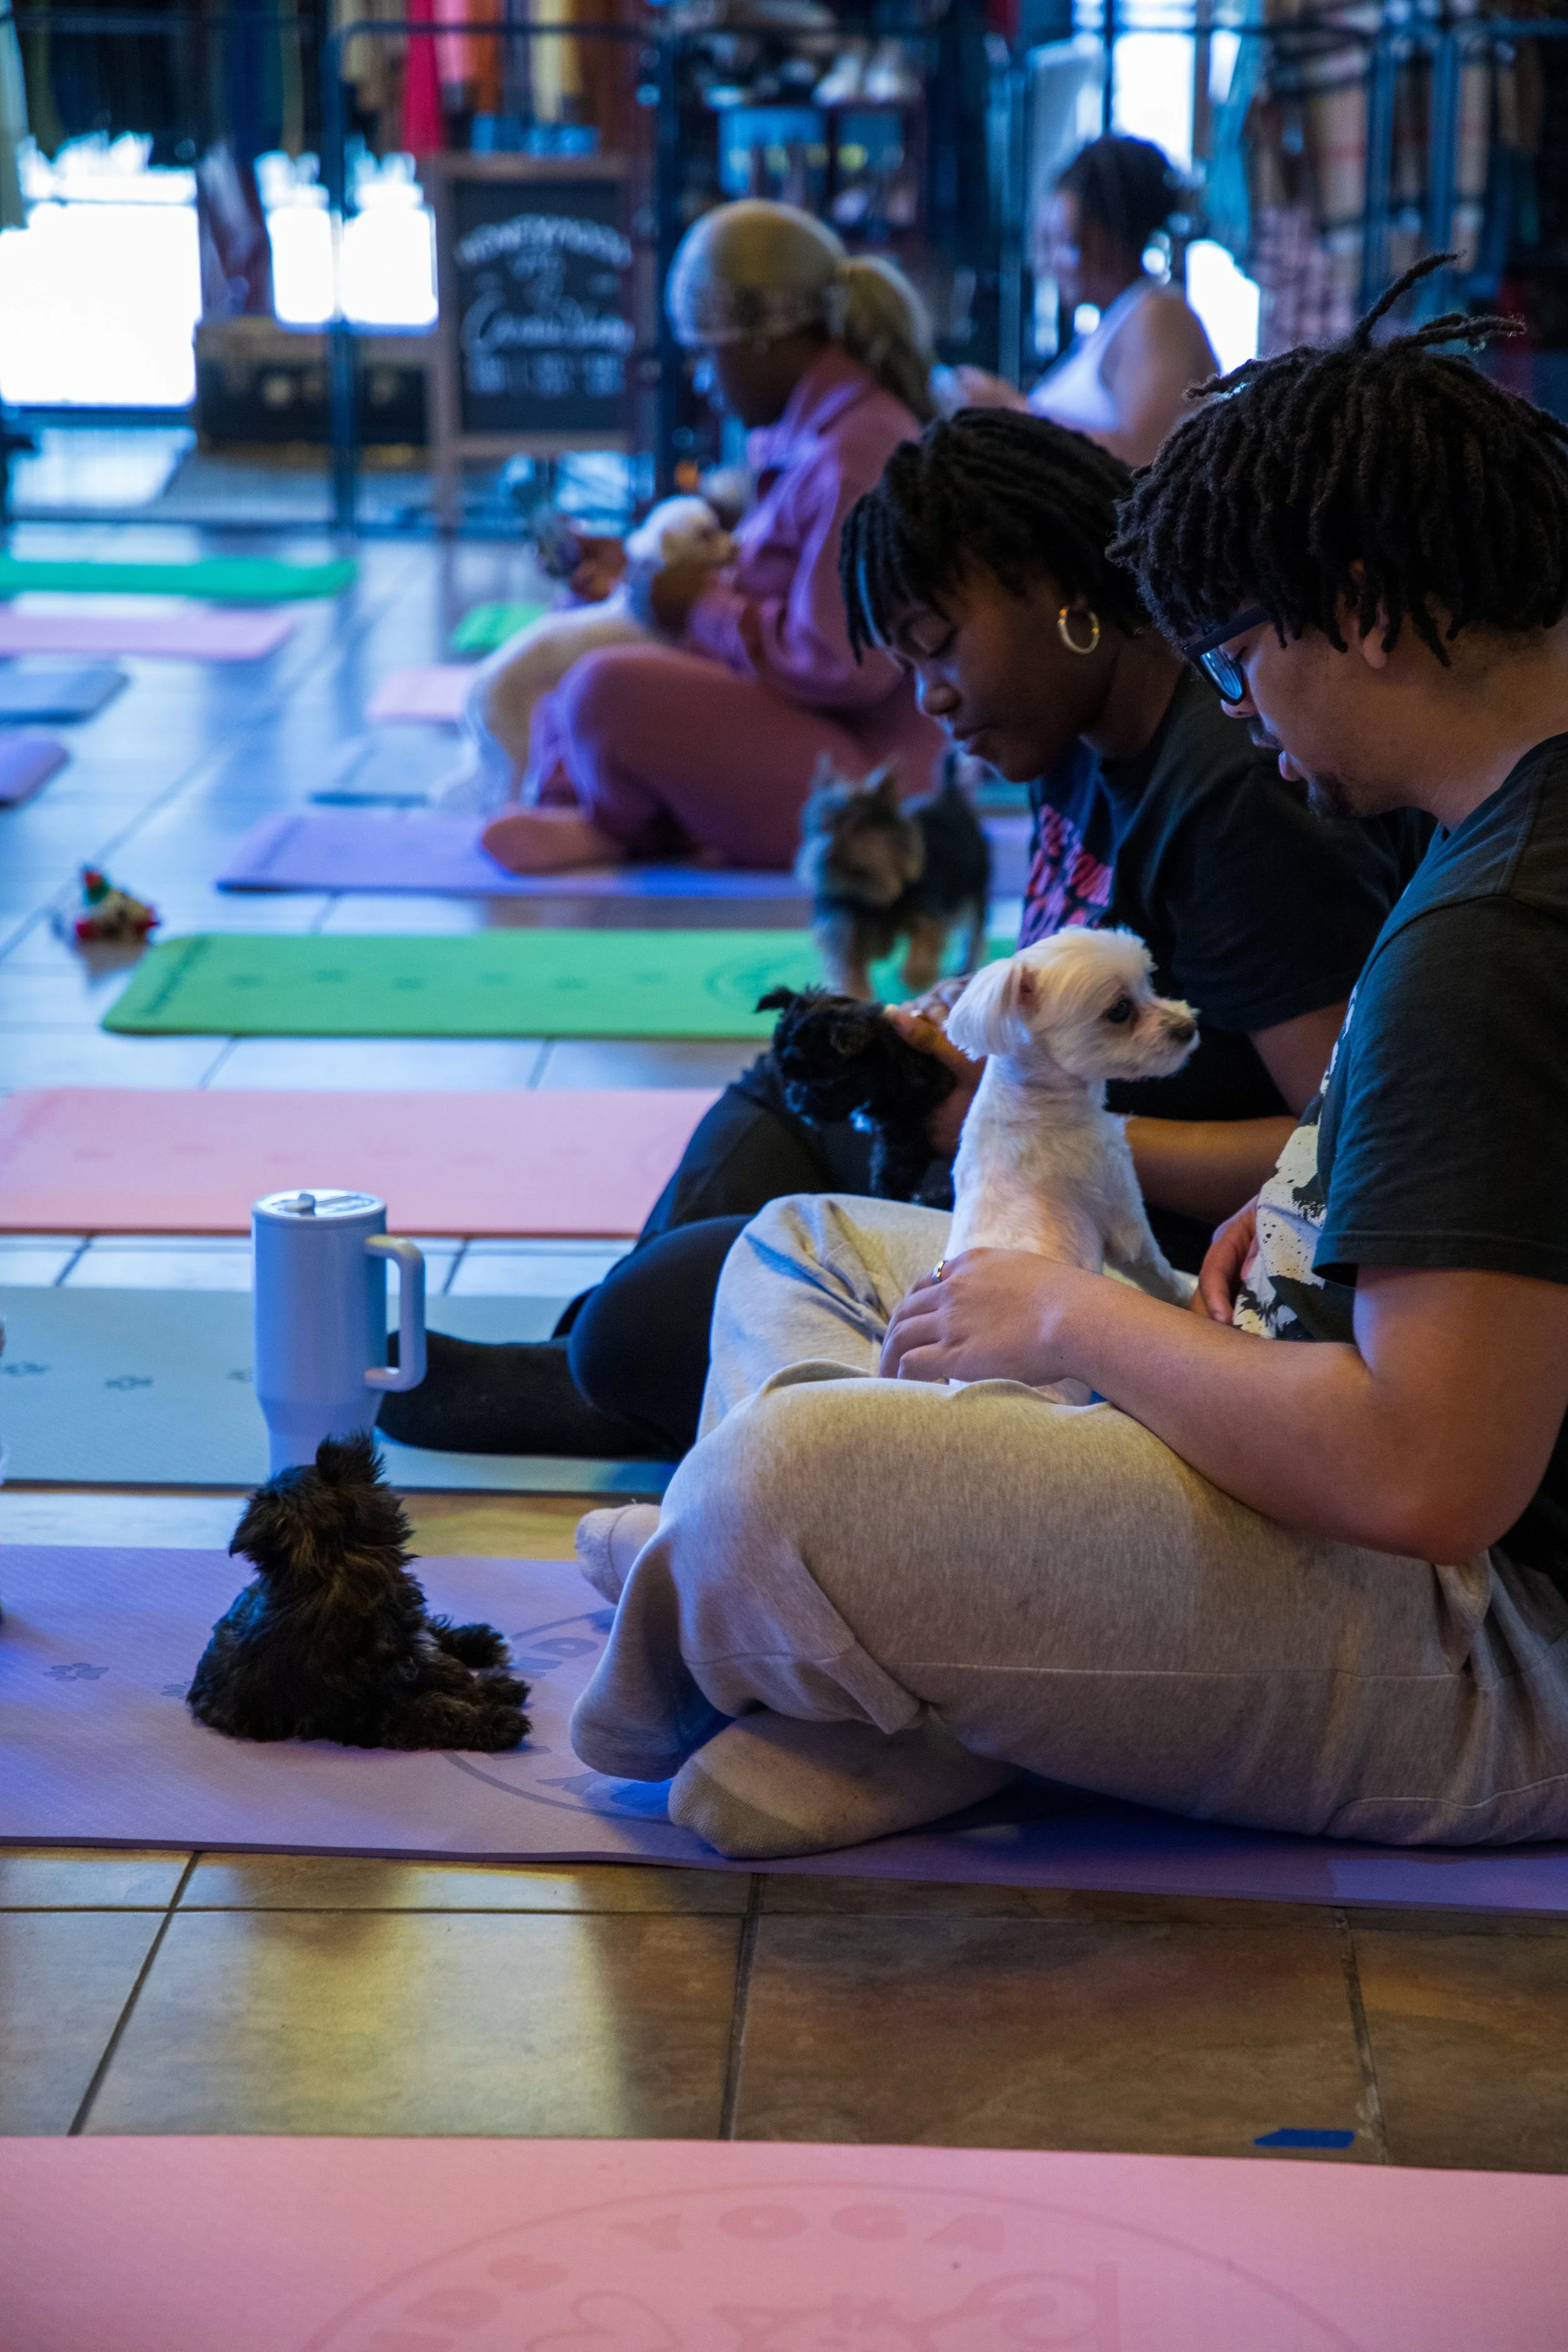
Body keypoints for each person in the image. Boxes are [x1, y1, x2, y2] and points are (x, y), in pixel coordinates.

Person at [566, 258, 1568, 1866]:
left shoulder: (1495, 927)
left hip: (1477, 1646)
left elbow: (1431, 1472)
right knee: (804, 1251)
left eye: (1240, 660)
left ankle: (772, 1644)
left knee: (781, 1473)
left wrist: (1082, 1314)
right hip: (1314, 1430)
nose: (1241, 713)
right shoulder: (1494, 837)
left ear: (1367, 610)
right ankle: (923, 1682)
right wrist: (1313, 1202)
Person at [379, 409, 1426, 1463]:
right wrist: (961, 1025)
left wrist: (1047, 1129)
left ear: (1056, 586)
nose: (928, 699)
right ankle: (584, 1371)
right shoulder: (1081, 736)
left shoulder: (1233, 801)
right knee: (802, 1073)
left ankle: (606, 1377)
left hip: (1135, 1238)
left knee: (644, 1327)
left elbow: (1335, 1157)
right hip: (1037, 1148)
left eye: (937, 649)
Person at [478, 199, 946, 876]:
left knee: (601, 686)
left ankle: (616, 823)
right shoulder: (825, 435)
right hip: (824, 743)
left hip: (866, 786)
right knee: (586, 622)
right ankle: (594, 804)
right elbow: (774, 581)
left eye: (707, 356)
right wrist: (638, 572)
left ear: (761, 337)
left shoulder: (856, 452)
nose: (705, 381)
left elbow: (844, 666)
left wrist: (696, 606)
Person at [955, 134, 1218, 467]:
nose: (1049, 264)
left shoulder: (1158, 314)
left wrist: (1014, 411)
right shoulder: (1116, 323)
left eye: (1065, 242)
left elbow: (1150, 457)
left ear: (1107, 240)